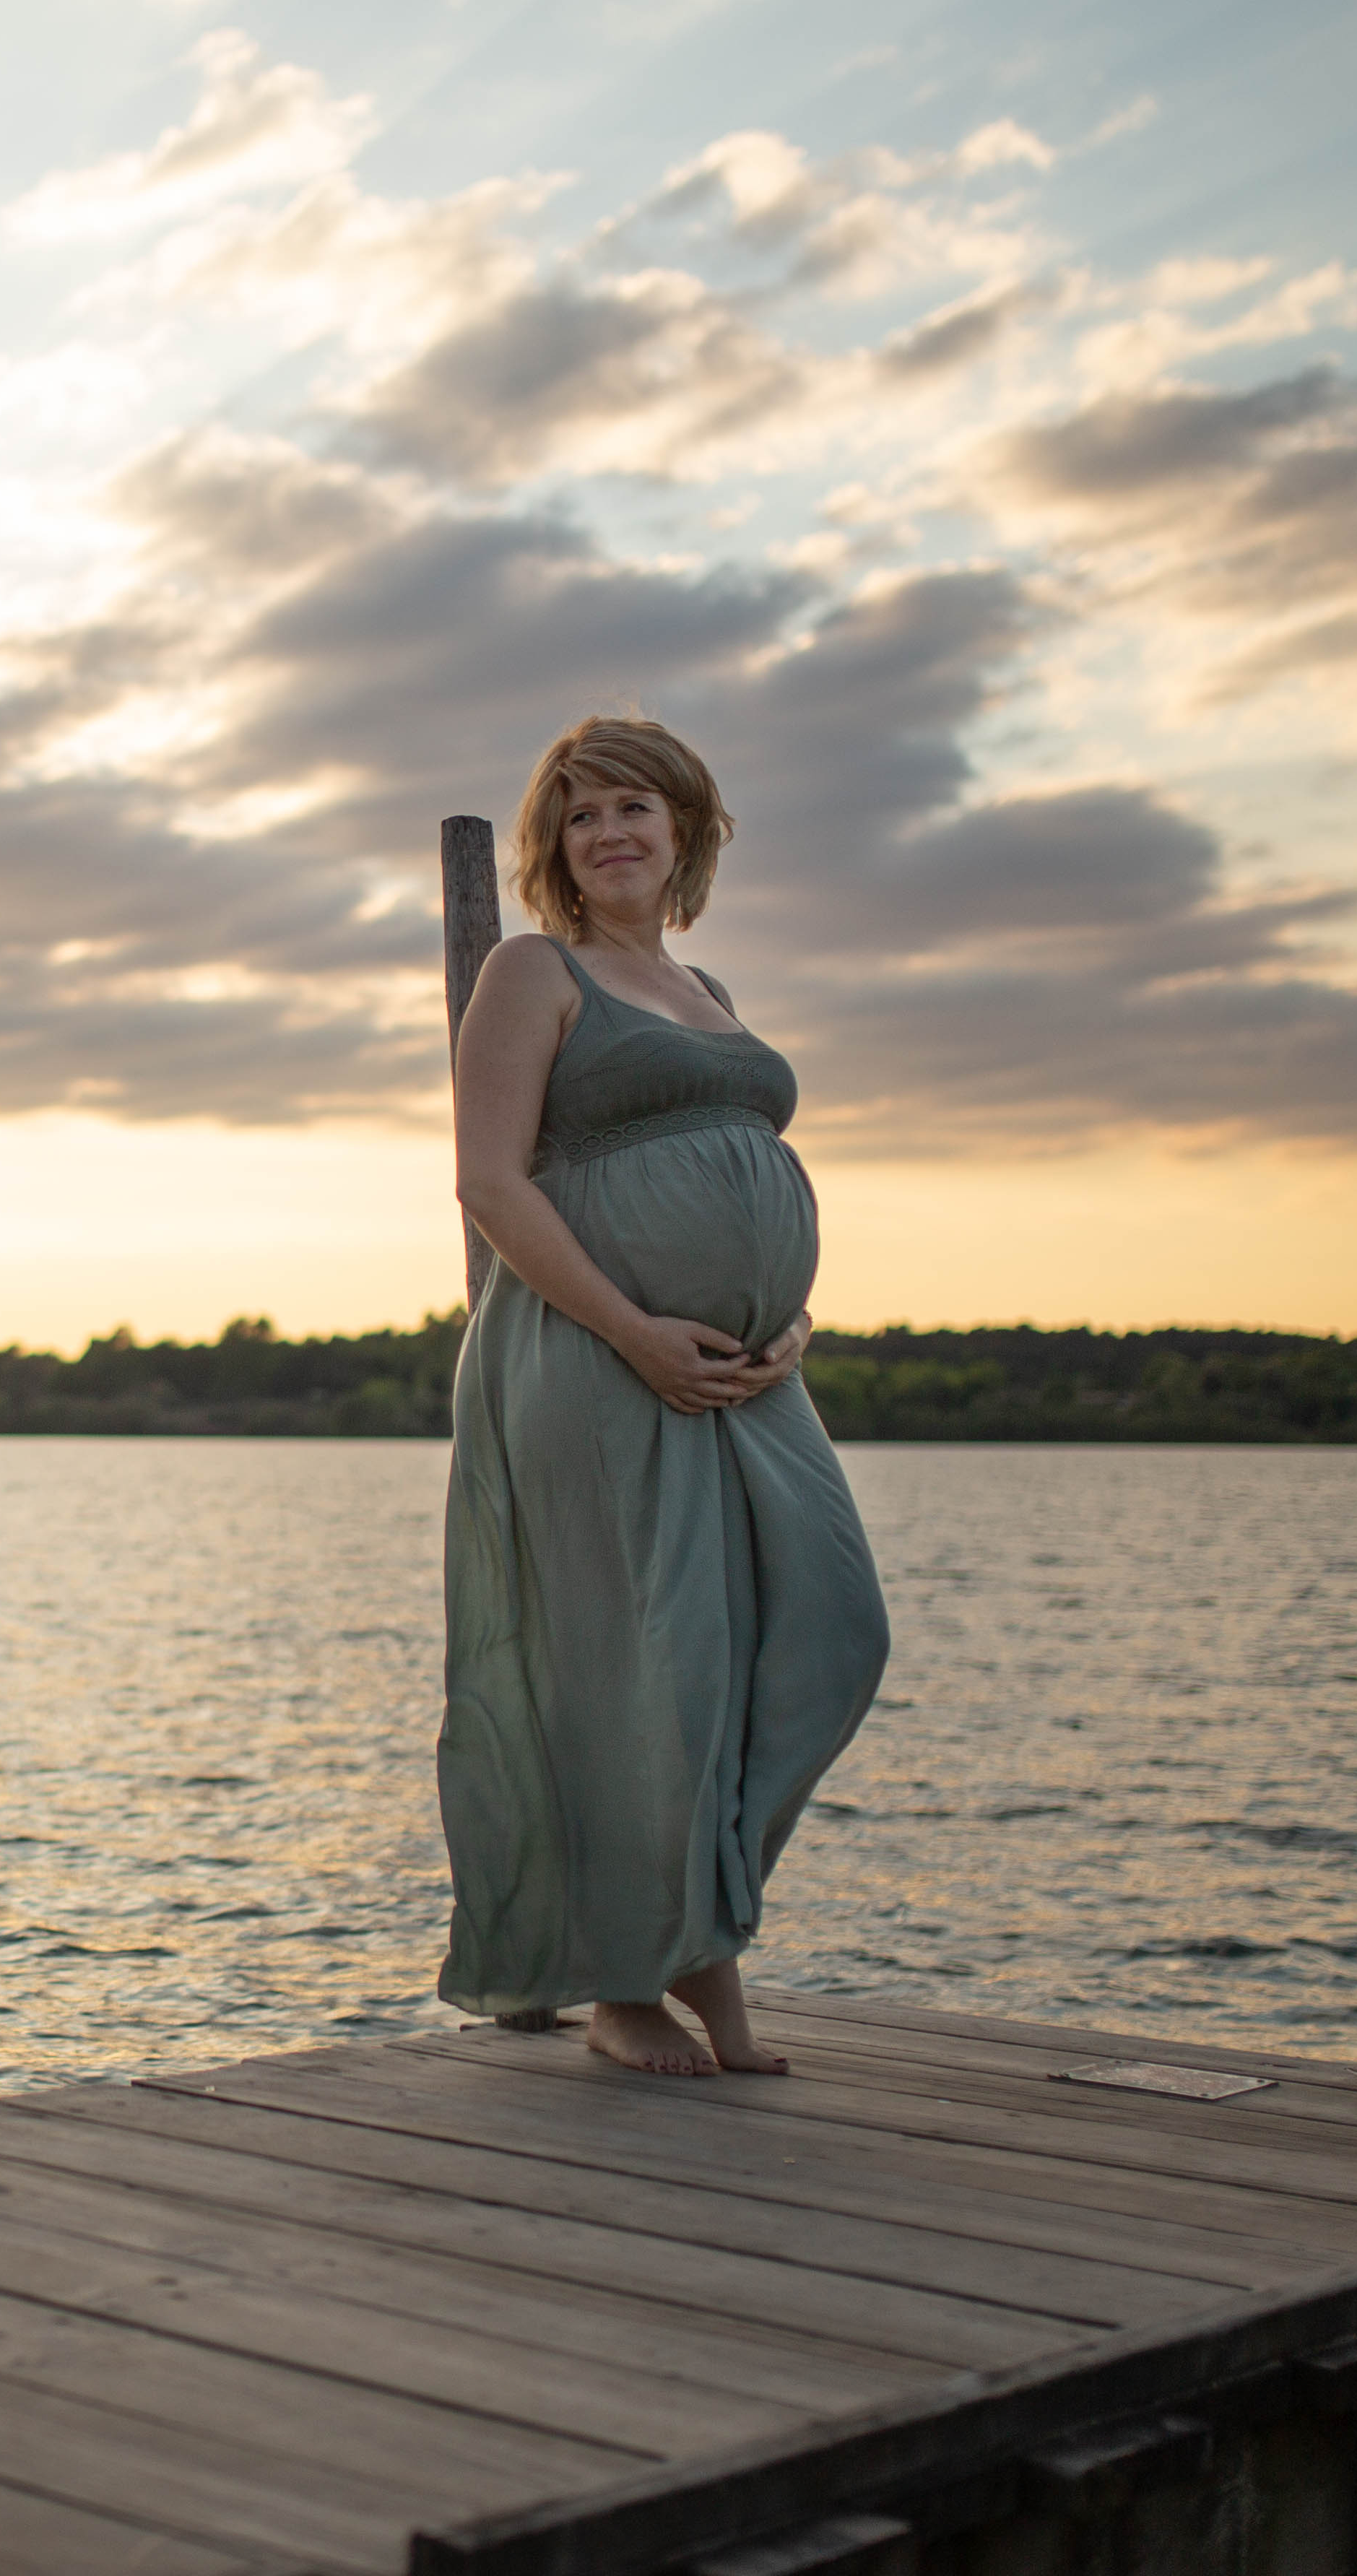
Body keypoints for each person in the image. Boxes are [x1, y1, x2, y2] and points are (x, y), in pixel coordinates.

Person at [438, 711, 888, 2076]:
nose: (612, 831)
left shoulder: (712, 992)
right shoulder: (533, 969)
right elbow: (492, 1182)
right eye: (582, 815)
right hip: (588, 1357)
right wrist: (635, 1330)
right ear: (554, 848)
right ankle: (635, 1983)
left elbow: (741, 1175)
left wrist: (787, 1317)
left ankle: (697, 1929)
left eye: (637, 806)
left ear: (685, 827)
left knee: (828, 1629)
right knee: (644, 1674)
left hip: (751, 1375)